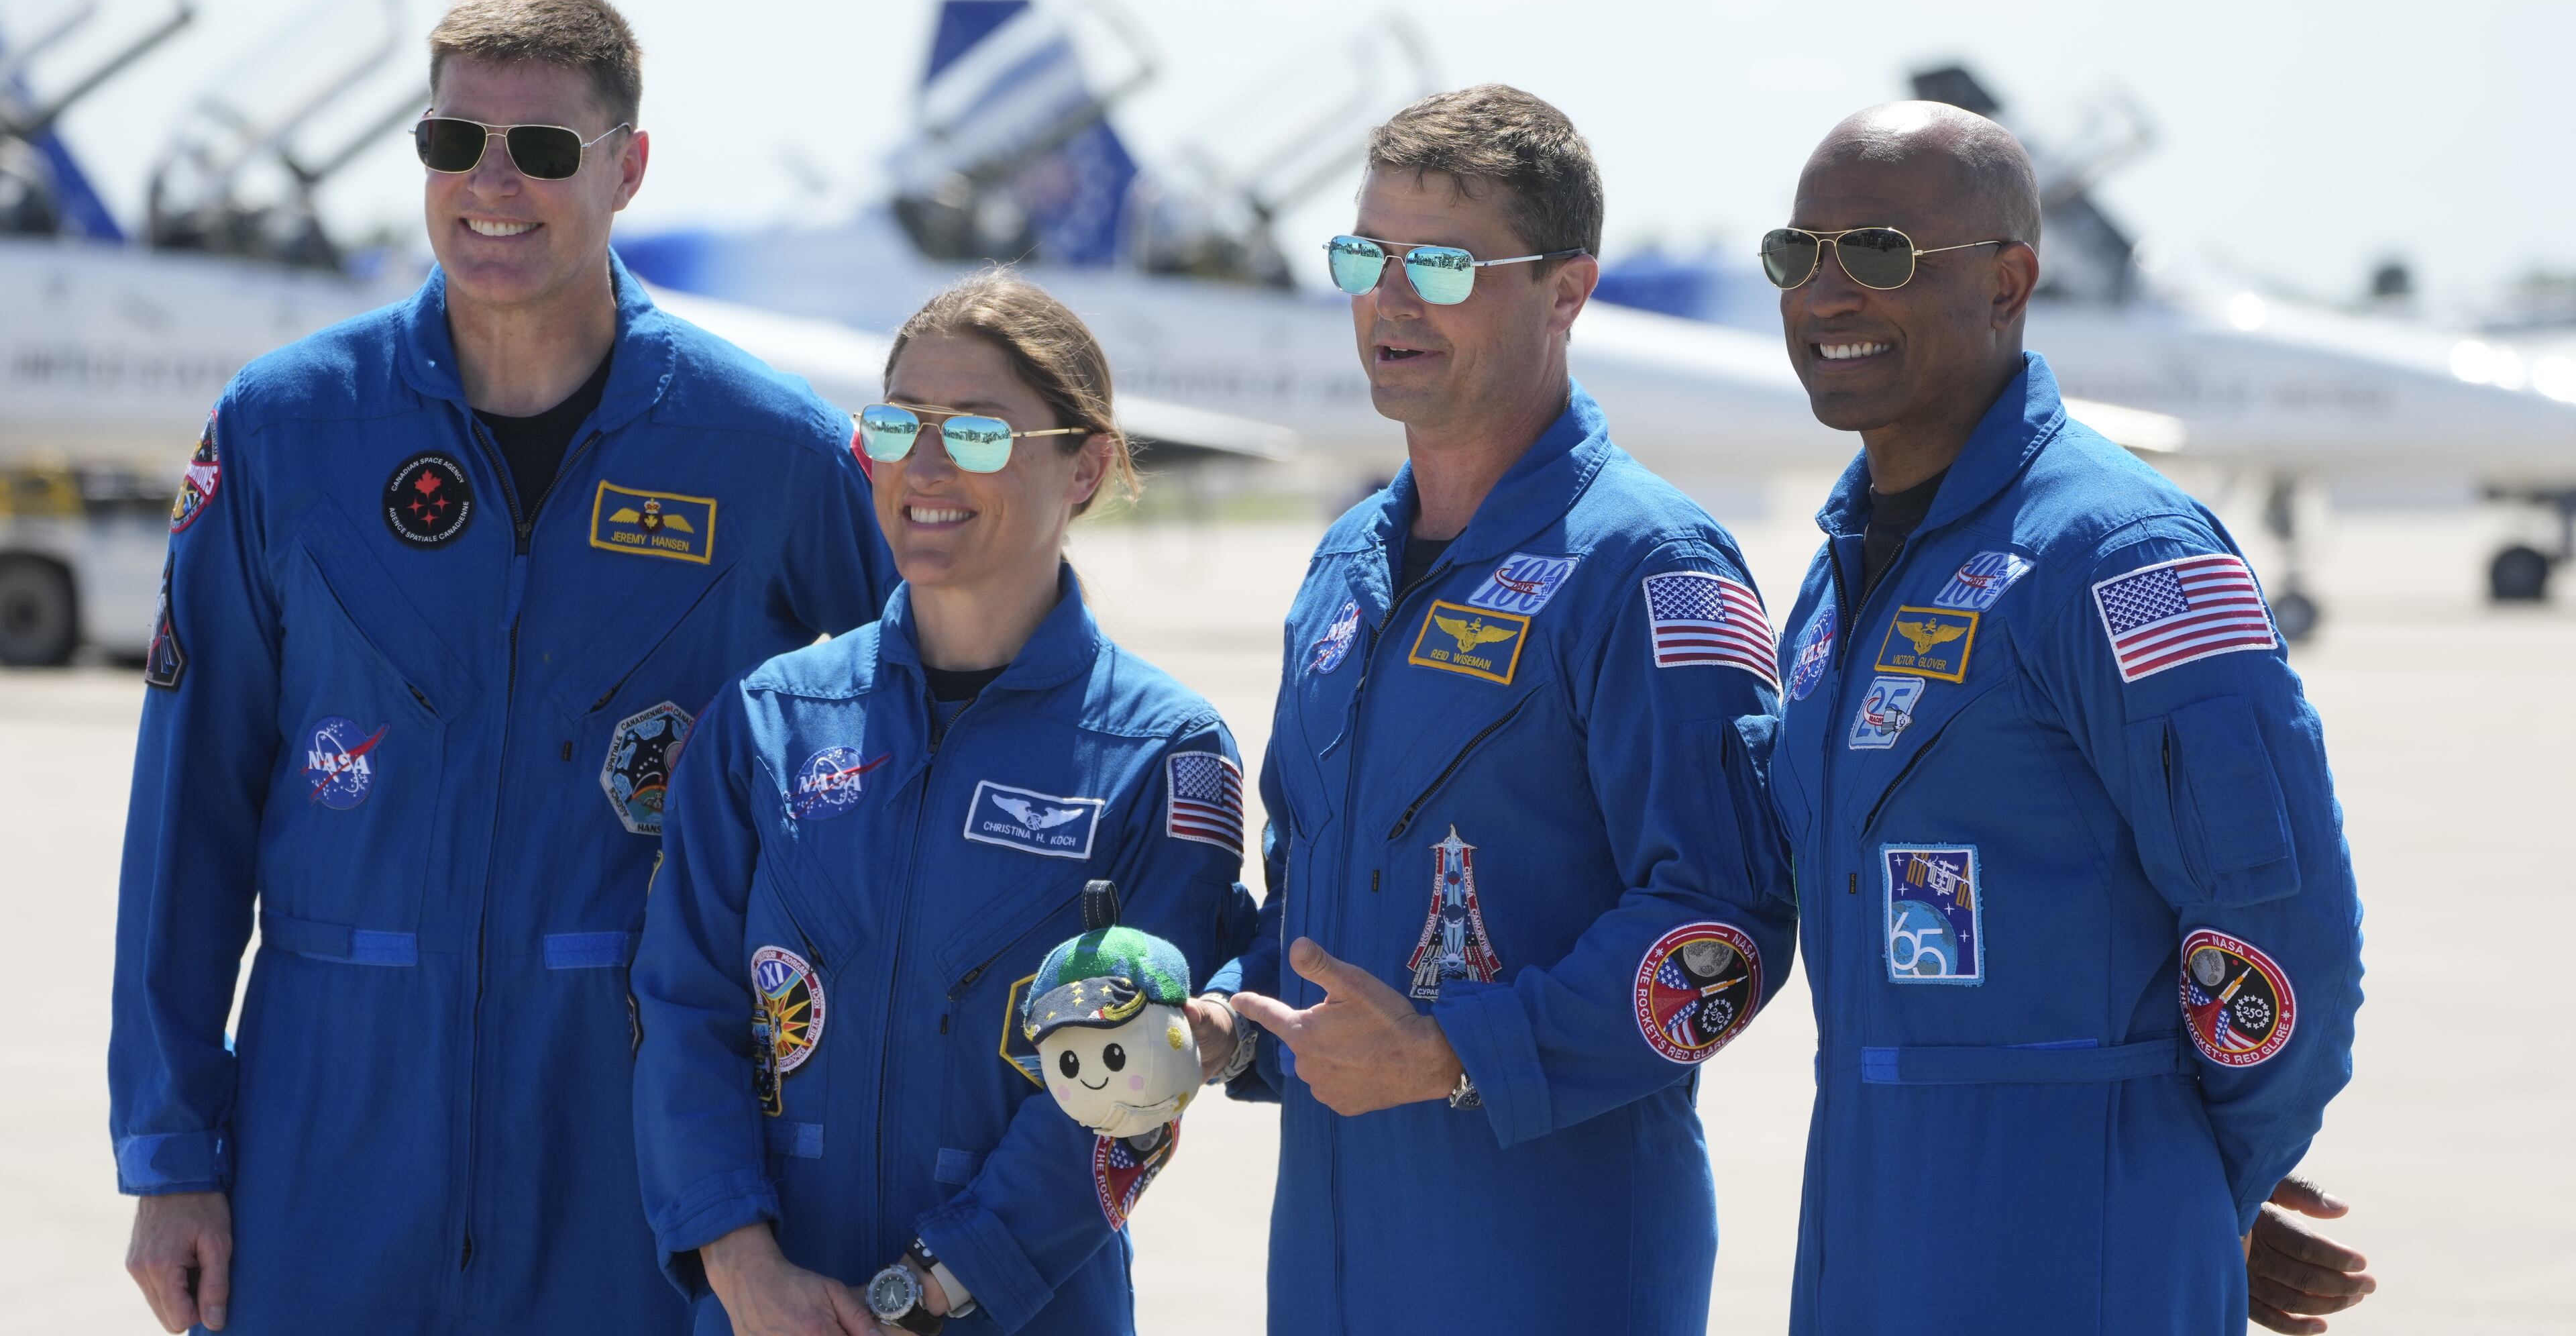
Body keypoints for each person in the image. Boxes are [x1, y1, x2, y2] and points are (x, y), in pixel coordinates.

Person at [109, 0, 897, 1335]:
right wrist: (172, 1155)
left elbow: (916, 745)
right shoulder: (288, 431)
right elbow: (190, 811)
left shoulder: (765, 454)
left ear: (627, 167)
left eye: (540, 150)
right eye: (451, 144)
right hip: (330, 1139)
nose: (491, 186)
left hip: (641, 1141)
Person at [1758, 101, 2369, 1335]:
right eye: (1796, 254)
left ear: (2009, 282)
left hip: (2077, 1247)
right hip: (1867, 1224)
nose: (1825, 295)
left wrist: (2199, 1185)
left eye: (1876, 254)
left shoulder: (2122, 554)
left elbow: (2276, 919)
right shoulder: (1838, 578)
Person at [1209, 86, 1798, 1334]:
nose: (1392, 297)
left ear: (1569, 290)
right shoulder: (1341, 567)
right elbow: (1313, 879)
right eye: (1364, 255)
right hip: (1330, 1263)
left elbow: (1724, 927)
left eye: (1442, 261)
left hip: (1549, 1264)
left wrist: (1453, 1055)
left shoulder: (1652, 567)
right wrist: (1225, 1017)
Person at [631, 272, 1258, 1336]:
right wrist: (741, 1268)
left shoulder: (1164, 753)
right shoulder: (767, 722)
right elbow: (682, 1006)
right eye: (897, 426)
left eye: (975, 434)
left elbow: (1132, 1084)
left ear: (1087, 466)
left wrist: (933, 1292)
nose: (923, 468)